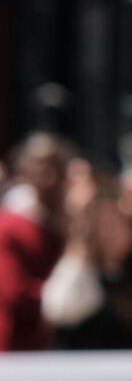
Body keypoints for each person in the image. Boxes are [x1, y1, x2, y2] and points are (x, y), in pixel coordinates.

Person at [43, 174, 132, 349]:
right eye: (102, 224)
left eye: (116, 222)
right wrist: (80, 248)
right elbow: (58, 309)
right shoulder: (82, 268)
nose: (109, 232)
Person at [0, 132, 70, 348]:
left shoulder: (69, 220)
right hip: (19, 347)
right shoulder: (10, 225)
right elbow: (14, 290)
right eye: (39, 168)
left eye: (54, 168)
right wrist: (62, 297)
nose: (47, 177)